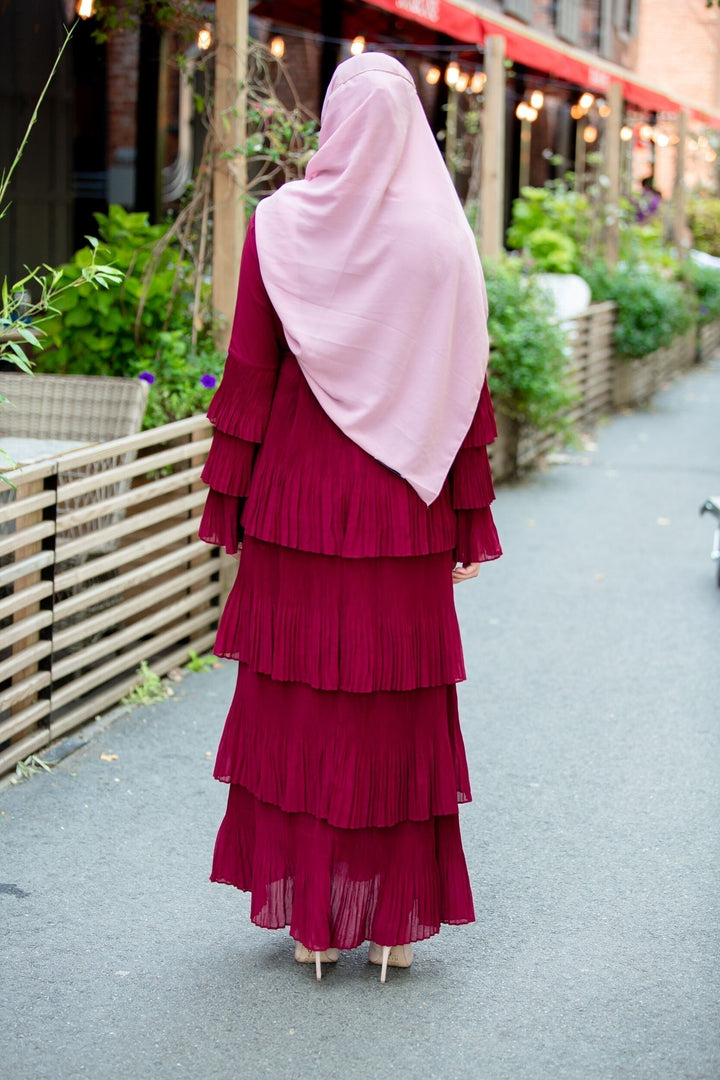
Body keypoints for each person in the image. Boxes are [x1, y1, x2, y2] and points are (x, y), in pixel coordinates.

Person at [198, 51, 502, 984]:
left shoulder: (282, 227)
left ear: (332, 121)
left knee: (300, 704)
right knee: (394, 711)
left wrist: (230, 503)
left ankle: (315, 925)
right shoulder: (444, 239)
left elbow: (251, 367)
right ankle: (396, 926)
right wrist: (467, 518)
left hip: (297, 497)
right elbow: (461, 386)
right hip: (401, 504)